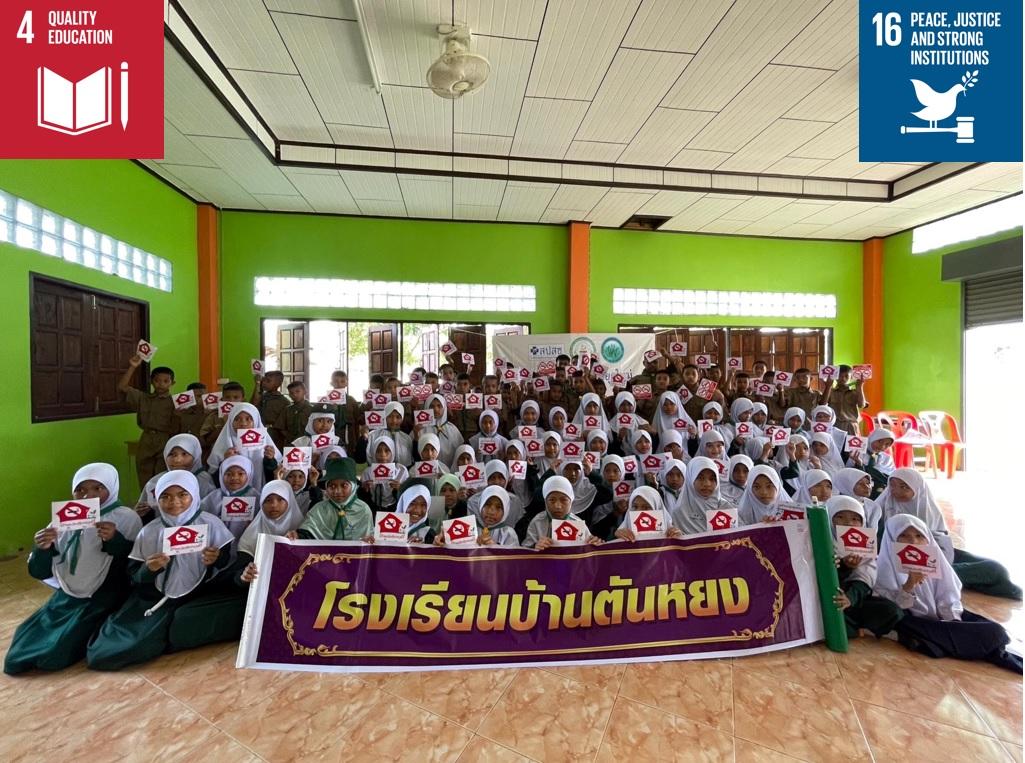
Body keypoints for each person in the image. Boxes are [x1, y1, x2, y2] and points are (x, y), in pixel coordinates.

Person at [85, 471, 234, 670]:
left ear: (194, 495)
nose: (174, 502)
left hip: (197, 595)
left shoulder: (211, 524)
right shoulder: (150, 531)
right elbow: (134, 576)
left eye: (182, 495)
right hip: (153, 596)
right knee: (111, 647)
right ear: (157, 499)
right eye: (165, 496)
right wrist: (149, 569)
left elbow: (225, 562)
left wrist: (216, 558)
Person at [5, 464, 142, 675]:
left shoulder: (126, 517)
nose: (88, 495)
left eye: (98, 488)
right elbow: (40, 571)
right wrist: (43, 547)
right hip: (69, 592)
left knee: (56, 651)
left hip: (104, 594)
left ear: (112, 488)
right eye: (80, 489)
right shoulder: (65, 517)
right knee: (21, 648)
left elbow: (133, 562)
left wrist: (115, 540)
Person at [874, 514, 1022, 672]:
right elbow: (892, 609)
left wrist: (952, 620)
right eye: (903, 536)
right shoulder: (882, 568)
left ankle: (932, 643)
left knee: (995, 630)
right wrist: (909, 586)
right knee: (994, 635)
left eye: (919, 536)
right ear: (891, 539)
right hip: (912, 622)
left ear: (928, 539)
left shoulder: (936, 562)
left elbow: (949, 596)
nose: (913, 542)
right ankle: (929, 640)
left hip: (940, 620)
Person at [875, 469, 1021, 599]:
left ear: (918, 489)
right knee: (993, 572)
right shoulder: (881, 508)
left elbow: (942, 545)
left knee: (996, 568)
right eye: (892, 485)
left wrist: (941, 563)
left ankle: (949, 578)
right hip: (905, 565)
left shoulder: (928, 509)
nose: (896, 491)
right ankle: (945, 579)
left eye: (904, 487)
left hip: (938, 557)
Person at [826, 496, 903, 639]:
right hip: (828, 596)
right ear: (829, 518)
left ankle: (851, 625)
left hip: (852, 599)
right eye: (840, 517)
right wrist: (845, 567)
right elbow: (821, 577)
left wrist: (850, 598)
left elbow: (865, 578)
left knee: (892, 611)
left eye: (855, 519)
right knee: (829, 613)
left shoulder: (864, 544)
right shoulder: (821, 540)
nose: (848, 523)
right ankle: (852, 627)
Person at [118, 353, 179, 490]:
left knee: (162, 476)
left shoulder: (175, 402)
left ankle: (160, 500)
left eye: (166, 381)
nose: (161, 384)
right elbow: (122, 387)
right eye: (157, 380)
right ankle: (146, 502)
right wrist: (132, 367)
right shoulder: (143, 398)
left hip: (165, 439)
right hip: (146, 439)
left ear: (172, 383)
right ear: (152, 381)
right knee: (144, 475)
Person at [207, 403, 281, 492]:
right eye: (237, 419)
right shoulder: (222, 447)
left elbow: (276, 477)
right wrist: (225, 462)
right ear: (230, 422)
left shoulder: (267, 447)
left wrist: (270, 460)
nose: (243, 423)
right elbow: (213, 480)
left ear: (256, 421)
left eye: (248, 419)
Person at [298, 458, 372, 541]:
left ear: (353, 486)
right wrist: (297, 535)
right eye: (332, 486)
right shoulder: (319, 510)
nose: (337, 491)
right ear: (326, 487)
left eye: (344, 486)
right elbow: (307, 532)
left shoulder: (363, 510)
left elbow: (368, 537)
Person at [522, 476, 603, 550]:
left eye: (563, 500)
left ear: (571, 501)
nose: (558, 506)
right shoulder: (537, 522)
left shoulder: (577, 523)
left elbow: (588, 551)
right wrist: (535, 547)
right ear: (545, 501)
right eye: (552, 500)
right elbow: (524, 551)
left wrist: (595, 544)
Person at [666, 457, 736, 536]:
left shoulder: (726, 508)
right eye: (700, 478)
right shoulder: (680, 512)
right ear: (690, 479)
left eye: (712, 479)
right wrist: (679, 536)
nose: (707, 484)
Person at [614, 486, 683, 542]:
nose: (639, 512)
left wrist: (678, 540)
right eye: (635, 507)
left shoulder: (671, 534)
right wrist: (618, 539)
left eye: (646, 507)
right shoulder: (622, 534)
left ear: (657, 508)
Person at [250, 370, 289, 449]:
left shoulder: (284, 401)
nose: (264, 383)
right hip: (259, 430)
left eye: (268, 381)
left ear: (277, 384)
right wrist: (257, 384)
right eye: (263, 380)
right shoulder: (262, 397)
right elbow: (253, 405)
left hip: (275, 434)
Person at [823, 365, 867, 435]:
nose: (843, 378)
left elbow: (861, 405)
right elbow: (823, 404)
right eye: (840, 376)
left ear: (851, 377)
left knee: (852, 442)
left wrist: (860, 387)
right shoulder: (831, 391)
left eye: (846, 376)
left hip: (851, 425)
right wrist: (828, 387)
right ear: (835, 377)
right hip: (835, 425)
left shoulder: (854, 392)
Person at [275, 381, 313, 445]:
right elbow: (281, 428)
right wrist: (290, 438)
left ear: (305, 391)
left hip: (308, 443)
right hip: (291, 443)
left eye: (297, 391)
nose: (294, 395)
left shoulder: (312, 410)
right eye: (291, 393)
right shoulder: (287, 410)